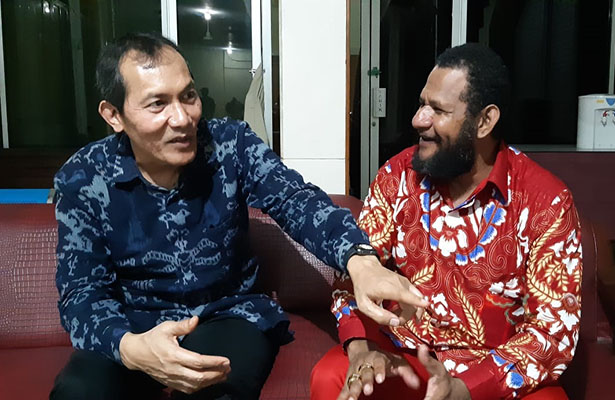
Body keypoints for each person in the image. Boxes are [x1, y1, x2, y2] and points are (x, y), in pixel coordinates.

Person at [50, 32, 427, 400]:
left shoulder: (230, 144)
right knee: (79, 391)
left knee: (218, 390)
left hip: (226, 314)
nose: (182, 118)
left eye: (188, 96)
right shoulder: (82, 177)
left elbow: (296, 200)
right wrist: (128, 347)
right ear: (113, 115)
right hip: (133, 323)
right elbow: (81, 291)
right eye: (157, 104)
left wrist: (359, 258)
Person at [310, 43, 582, 400]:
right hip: (407, 357)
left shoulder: (546, 200)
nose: (418, 120)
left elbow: (553, 332)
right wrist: (361, 349)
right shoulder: (398, 176)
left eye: (437, 110)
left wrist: (467, 388)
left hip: (494, 372)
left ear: (484, 121)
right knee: (332, 376)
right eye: (422, 104)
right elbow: (354, 275)